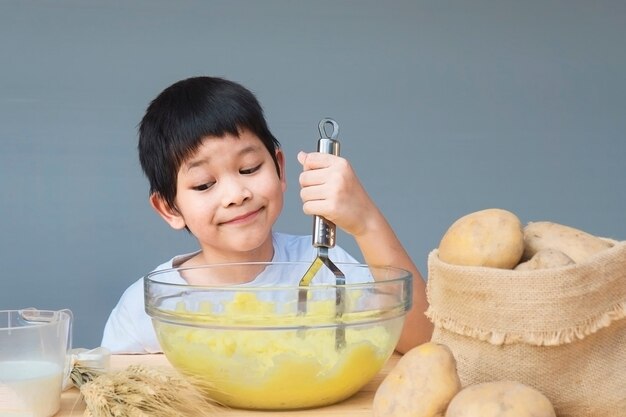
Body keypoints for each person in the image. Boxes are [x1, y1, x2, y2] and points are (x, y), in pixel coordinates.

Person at [101, 76, 432, 354]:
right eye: (204, 185)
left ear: (279, 167)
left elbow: (423, 339)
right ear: (169, 208)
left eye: (249, 168)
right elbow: (111, 392)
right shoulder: (152, 305)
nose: (236, 194)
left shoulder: (323, 271)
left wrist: (366, 222)